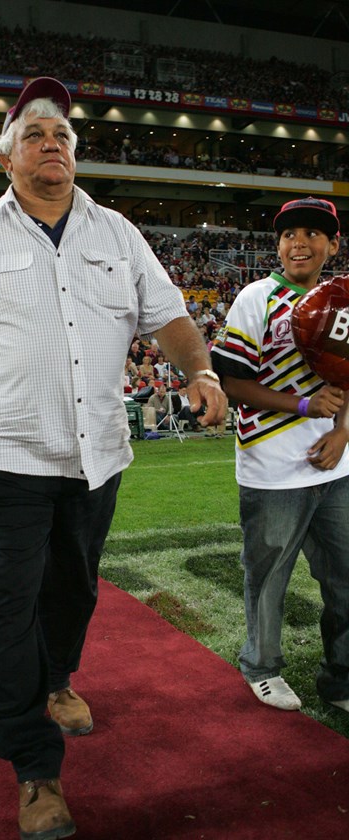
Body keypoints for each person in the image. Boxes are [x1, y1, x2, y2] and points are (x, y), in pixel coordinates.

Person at [0, 77, 227, 839]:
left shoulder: (117, 233)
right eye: (34, 136)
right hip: (4, 456)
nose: (51, 145)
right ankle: (34, 768)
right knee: (8, 605)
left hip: (95, 454)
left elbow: (169, 317)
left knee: (74, 589)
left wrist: (199, 371)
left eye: (62, 136)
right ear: (6, 158)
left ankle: (58, 679)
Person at [211, 196, 349, 714]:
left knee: (346, 576)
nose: (299, 243)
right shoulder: (256, 298)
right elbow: (231, 382)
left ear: (333, 244)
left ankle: (341, 678)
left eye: (313, 233)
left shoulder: (343, 298)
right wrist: (305, 404)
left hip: (337, 466)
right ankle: (262, 667)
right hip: (272, 468)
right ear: (278, 244)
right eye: (290, 234)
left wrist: (343, 432)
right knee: (268, 575)